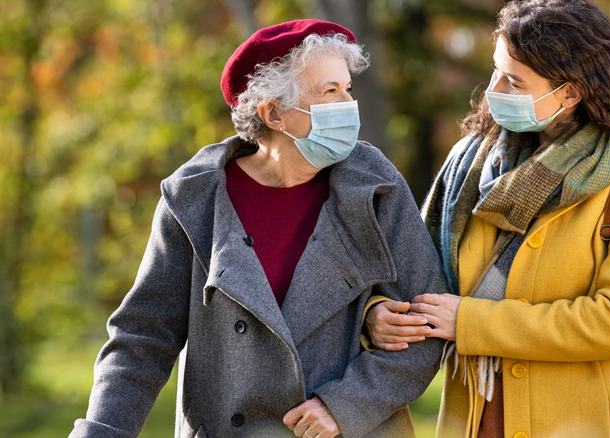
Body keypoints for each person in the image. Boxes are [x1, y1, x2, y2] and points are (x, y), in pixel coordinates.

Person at [70, 19, 448, 438]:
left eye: (347, 89)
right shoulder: (194, 197)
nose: (347, 104)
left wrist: (345, 405)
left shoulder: (375, 183)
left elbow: (426, 321)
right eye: (329, 92)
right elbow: (143, 338)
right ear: (274, 113)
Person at [366, 1, 610, 437]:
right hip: (479, 417)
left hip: (589, 418)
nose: (494, 90)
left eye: (514, 81)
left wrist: (471, 323)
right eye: (495, 71)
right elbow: (410, 275)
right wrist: (379, 314)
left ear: (569, 93)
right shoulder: (471, 166)